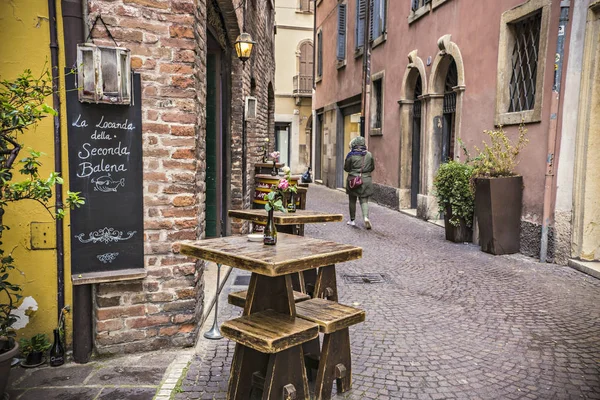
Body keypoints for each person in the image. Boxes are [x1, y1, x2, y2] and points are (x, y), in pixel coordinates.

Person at [344, 136, 375, 229]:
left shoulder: (351, 155)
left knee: (352, 200)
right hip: (366, 180)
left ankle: (352, 220)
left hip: (353, 180)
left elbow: (346, 168)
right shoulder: (369, 154)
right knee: (364, 199)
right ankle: (366, 217)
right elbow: (372, 167)